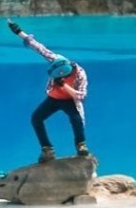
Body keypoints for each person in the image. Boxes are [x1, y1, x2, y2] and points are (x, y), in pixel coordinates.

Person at [7, 19, 90, 162]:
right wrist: (19, 32)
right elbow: (39, 48)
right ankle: (47, 149)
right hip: (54, 98)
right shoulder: (56, 60)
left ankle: (81, 145)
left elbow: (81, 96)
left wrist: (64, 85)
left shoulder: (80, 74)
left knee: (76, 120)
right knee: (36, 118)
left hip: (70, 100)